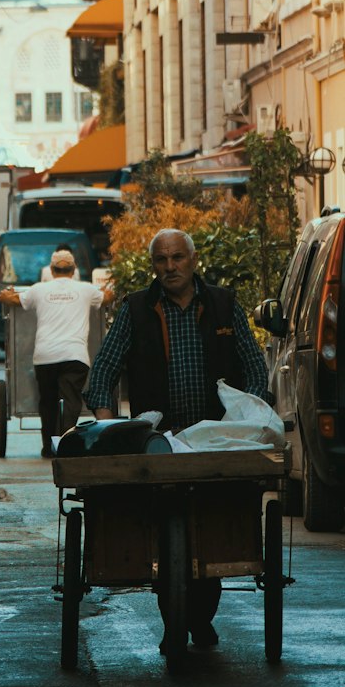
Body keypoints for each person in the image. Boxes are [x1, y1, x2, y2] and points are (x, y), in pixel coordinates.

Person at [84, 227, 270, 651]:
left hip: (217, 441)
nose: (170, 267)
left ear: (193, 260)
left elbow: (254, 368)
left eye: (177, 258)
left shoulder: (224, 304)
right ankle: (174, 624)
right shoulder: (136, 308)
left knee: (217, 528)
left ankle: (200, 619)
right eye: (161, 260)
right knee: (164, 533)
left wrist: (249, 417)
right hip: (159, 443)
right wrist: (111, 429)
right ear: (154, 266)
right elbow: (104, 373)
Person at [0, 247, 105, 458]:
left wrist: (5, 294)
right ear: (74, 268)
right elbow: (108, 296)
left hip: (45, 356)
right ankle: (67, 442)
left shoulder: (39, 289)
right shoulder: (86, 290)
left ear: (51, 269)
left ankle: (48, 446)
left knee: (47, 401)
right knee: (72, 399)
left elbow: (12, 299)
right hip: (75, 355)